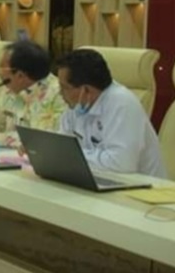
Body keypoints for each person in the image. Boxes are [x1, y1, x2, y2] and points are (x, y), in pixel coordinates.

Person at [56, 49, 166, 178]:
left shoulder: (122, 103)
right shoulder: (77, 104)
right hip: (96, 178)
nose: (60, 93)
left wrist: (72, 157)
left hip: (140, 185)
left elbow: (121, 163)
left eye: (64, 87)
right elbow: (62, 146)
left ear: (86, 90)